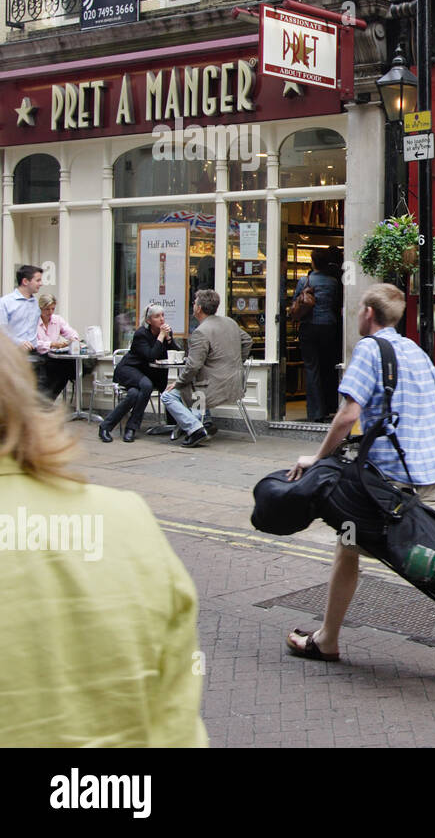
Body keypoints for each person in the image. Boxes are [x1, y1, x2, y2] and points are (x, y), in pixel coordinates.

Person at [0, 336, 207, 747]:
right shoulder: (129, 521)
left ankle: (116, 426)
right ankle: (118, 427)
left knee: (145, 390)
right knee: (142, 389)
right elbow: (178, 729)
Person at [283, 284, 435, 688]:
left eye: (358, 309)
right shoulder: (414, 350)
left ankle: (327, 640)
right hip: (430, 476)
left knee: (347, 544)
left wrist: (318, 458)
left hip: (385, 483)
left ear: (369, 314)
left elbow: (347, 414)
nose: (356, 316)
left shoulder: (370, 350)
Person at [162, 289, 254, 449]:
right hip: (235, 384)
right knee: (195, 386)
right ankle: (203, 422)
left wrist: (177, 383)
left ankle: (195, 429)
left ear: (198, 308)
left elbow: (193, 366)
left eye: (194, 302)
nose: (193, 305)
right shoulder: (229, 322)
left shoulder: (201, 332)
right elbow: (247, 340)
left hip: (212, 388)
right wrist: (236, 362)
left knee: (168, 396)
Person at [99, 304, 178, 444]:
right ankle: (131, 428)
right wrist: (161, 337)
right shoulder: (141, 334)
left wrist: (169, 339)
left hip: (144, 374)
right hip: (128, 369)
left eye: (162, 315)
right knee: (146, 386)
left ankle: (106, 426)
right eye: (157, 316)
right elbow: (150, 355)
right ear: (149, 321)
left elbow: (175, 351)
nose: (162, 319)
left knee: (134, 394)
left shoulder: (165, 333)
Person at [292, 248, 343, 423]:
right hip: (329, 326)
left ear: (313, 263)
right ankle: (330, 405)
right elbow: (336, 303)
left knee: (311, 367)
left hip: (309, 327)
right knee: (328, 366)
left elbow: (295, 302)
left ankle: (315, 411)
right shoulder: (333, 282)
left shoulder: (304, 280)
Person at [1, 265, 44, 385]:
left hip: (34, 356)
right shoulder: (5, 302)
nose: (41, 284)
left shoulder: (34, 302)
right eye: (38, 280)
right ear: (25, 281)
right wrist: (18, 342)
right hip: (14, 356)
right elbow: (1, 330)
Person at [36, 291, 79, 402]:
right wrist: (52, 344)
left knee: (65, 370)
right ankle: (44, 402)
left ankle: (48, 401)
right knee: (57, 371)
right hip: (39, 356)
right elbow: (33, 343)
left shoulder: (57, 320)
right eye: (47, 309)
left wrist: (73, 339)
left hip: (53, 356)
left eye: (53, 309)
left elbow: (71, 332)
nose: (50, 312)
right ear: (41, 308)